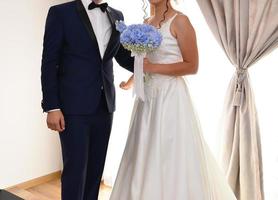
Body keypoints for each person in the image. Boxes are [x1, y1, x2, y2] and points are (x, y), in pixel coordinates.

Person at [110, 0, 237, 199]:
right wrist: (132, 80)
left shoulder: (181, 21)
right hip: (147, 99)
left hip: (170, 97)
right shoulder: (146, 22)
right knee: (144, 150)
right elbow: (144, 62)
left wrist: (152, 68)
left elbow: (192, 66)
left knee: (170, 152)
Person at [40, 0, 133, 199]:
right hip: (72, 106)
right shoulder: (60, 13)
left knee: (95, 172)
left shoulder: (117, 15)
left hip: (105, 105)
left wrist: (153, 63)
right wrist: (52, 106)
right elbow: (49, 62)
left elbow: (123, 57)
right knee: (75, 171)